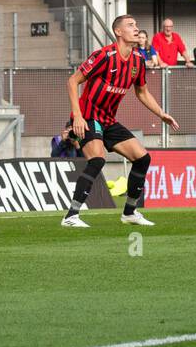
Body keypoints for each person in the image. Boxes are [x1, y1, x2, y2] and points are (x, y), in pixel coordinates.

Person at [62, 15, 180, 228]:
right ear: (118, 32)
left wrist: (160, 113)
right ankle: (71, 216)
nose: (136, 28)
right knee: (98, 159)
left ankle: (129, 213)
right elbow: (73, 81)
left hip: (108, 120)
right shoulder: (104, 56)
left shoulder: (137, 61)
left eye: (136, 24)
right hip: (89, 116)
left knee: (142, 158)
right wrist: (77, 116)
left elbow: (142, 92)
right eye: (131, 25)